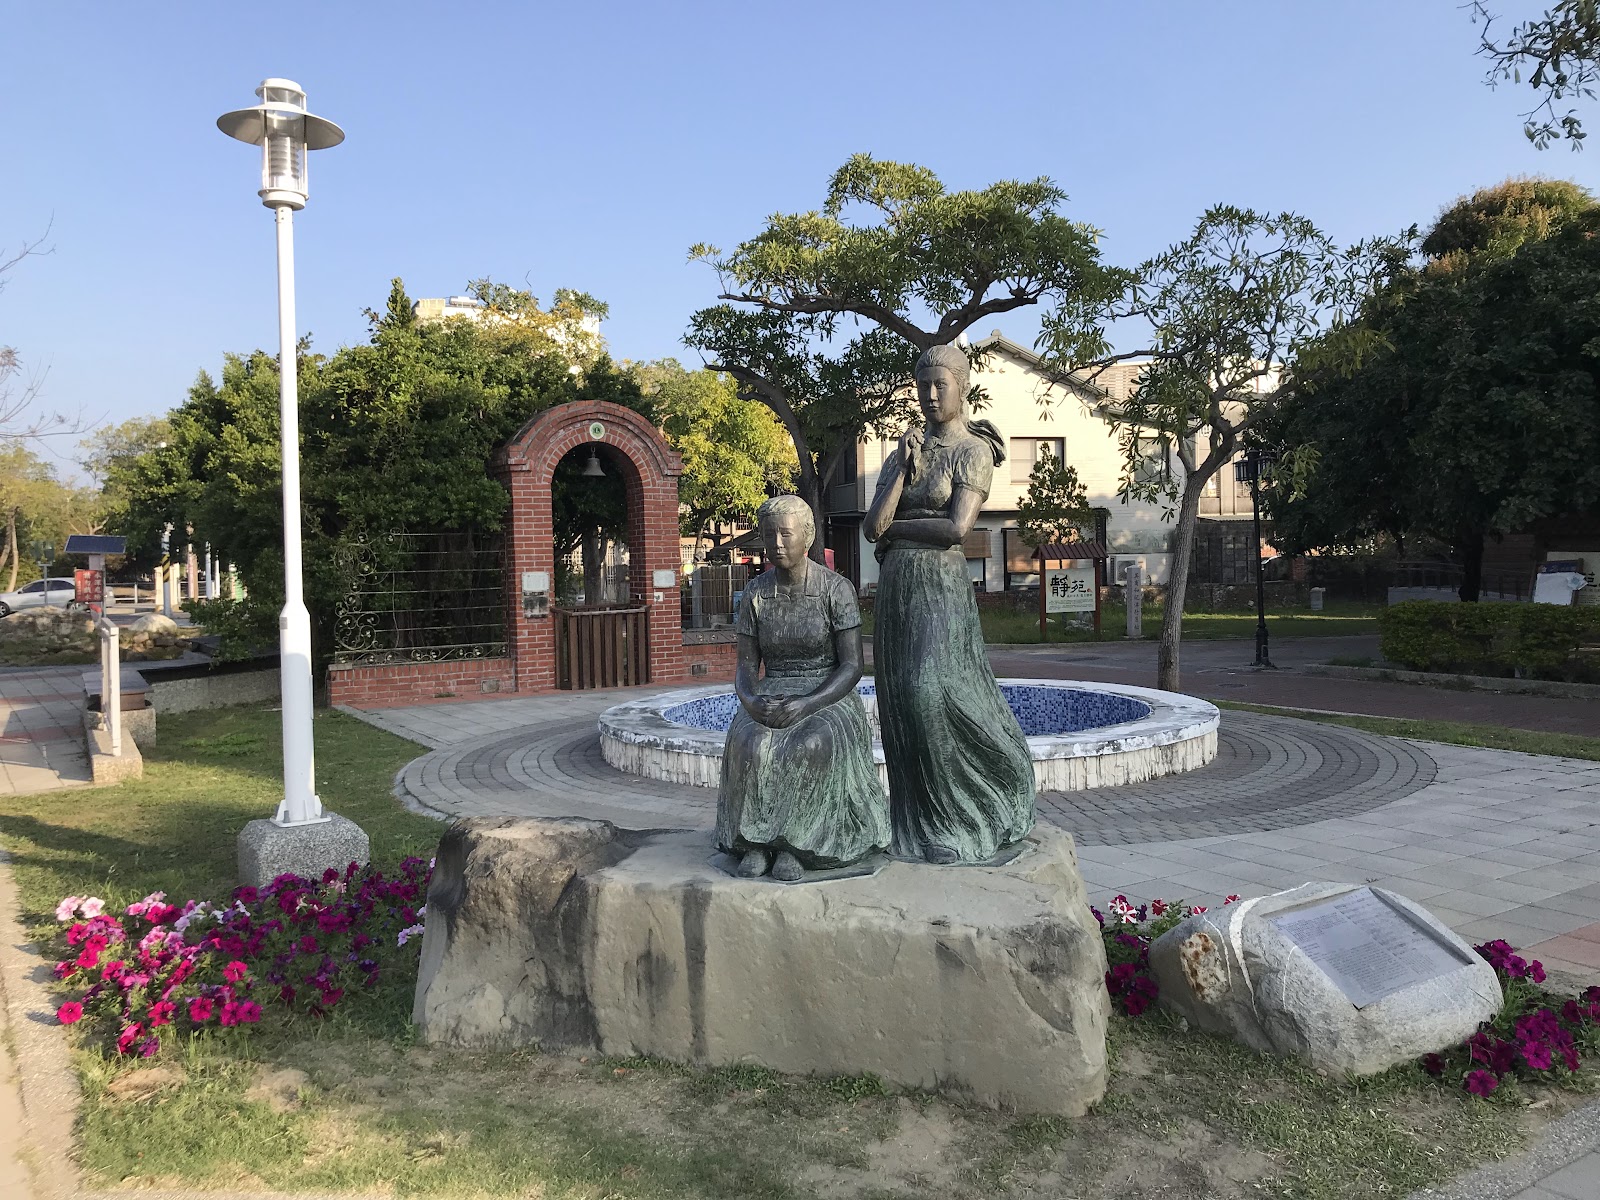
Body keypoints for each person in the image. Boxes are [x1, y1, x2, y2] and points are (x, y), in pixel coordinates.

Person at [863, 343, 1036, 864]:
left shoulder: (973, 451)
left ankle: (962, 818)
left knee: (929, 692)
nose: (931, 395)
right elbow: (872, 526)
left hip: (940, 587)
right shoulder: (904, 452)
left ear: (963, 387)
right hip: (898, 588)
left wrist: (898, 532)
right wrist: (902, 470)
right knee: (899, 700)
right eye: (923, 386)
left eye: (941, 384)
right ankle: (914, 823)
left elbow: (957, 528)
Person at [715, 495, 890, 882]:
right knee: (750, 744)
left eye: (785, 534)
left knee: (811, 744)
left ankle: (798, 845)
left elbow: (852, 666)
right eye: (769, 535)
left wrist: (809, 703)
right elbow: (746, 666)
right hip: (773, 690)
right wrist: (750, 700)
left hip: (826, 693)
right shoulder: (756, 593)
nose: (776, 543)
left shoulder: (836, 590)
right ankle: (754, 841)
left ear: (807, 536)